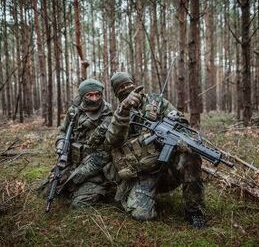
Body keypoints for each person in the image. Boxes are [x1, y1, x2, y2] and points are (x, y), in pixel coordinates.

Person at [105, 72, 206, 228]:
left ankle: (194, 211)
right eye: (121, 87)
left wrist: (181, 138)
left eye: (128, 84)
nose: (126, 88)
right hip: (143, 173)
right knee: (141, 214)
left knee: (190, 156)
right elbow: (112, 141)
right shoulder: (117, 115)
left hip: (167, 168)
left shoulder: (157, 102)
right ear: (116, 93)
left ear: (134, 84)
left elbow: (182, 123)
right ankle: (132, 194)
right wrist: (123, 111)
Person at [39, 79, 114, 208]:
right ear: (83, 96)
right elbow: (63, 131)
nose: (95, 98)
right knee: (45, 191)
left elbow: (107, 151)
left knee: (78, 204)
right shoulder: (74, 111)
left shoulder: (108, 113)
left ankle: (102, 190)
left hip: (95, 168)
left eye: (97, 94)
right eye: (90, 95)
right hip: (73, 162)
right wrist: (61, 144)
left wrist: (78, 175)